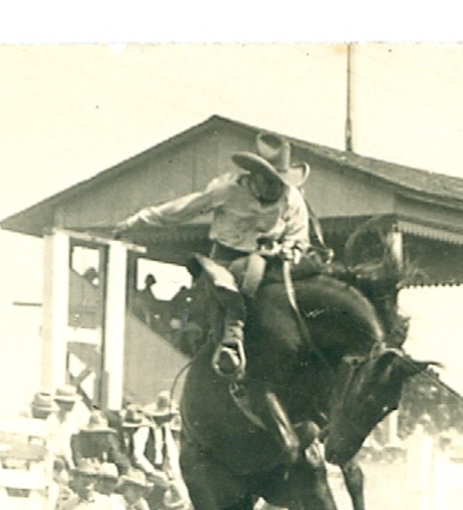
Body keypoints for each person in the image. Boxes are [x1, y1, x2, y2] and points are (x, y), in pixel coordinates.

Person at [112, 132, 313, 455]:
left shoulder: (291, 199)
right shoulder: (226, 190)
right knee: (238, 279)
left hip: (271, 263)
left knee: (296, 291)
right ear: (255, 177)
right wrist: (136, 221)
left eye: (280, 183)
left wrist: (288, 249)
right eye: (270, 182)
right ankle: (231, 341)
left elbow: (300, 238)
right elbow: (181, 209)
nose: (274, 189)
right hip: (226, 260)